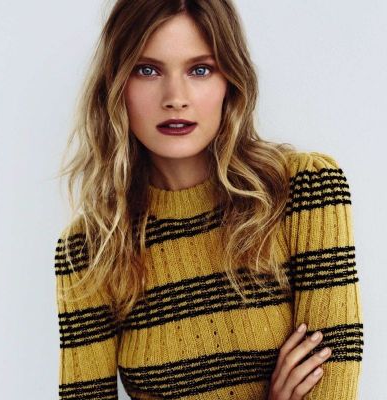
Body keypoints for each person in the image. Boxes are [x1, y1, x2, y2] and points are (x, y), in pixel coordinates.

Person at [54, 1, 364, 399]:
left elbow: (333, 384)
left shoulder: (304, 190)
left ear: (230, 80)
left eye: (200, 70)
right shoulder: (89, 249)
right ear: (116, 84)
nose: (175, 98)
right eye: (147, 70)